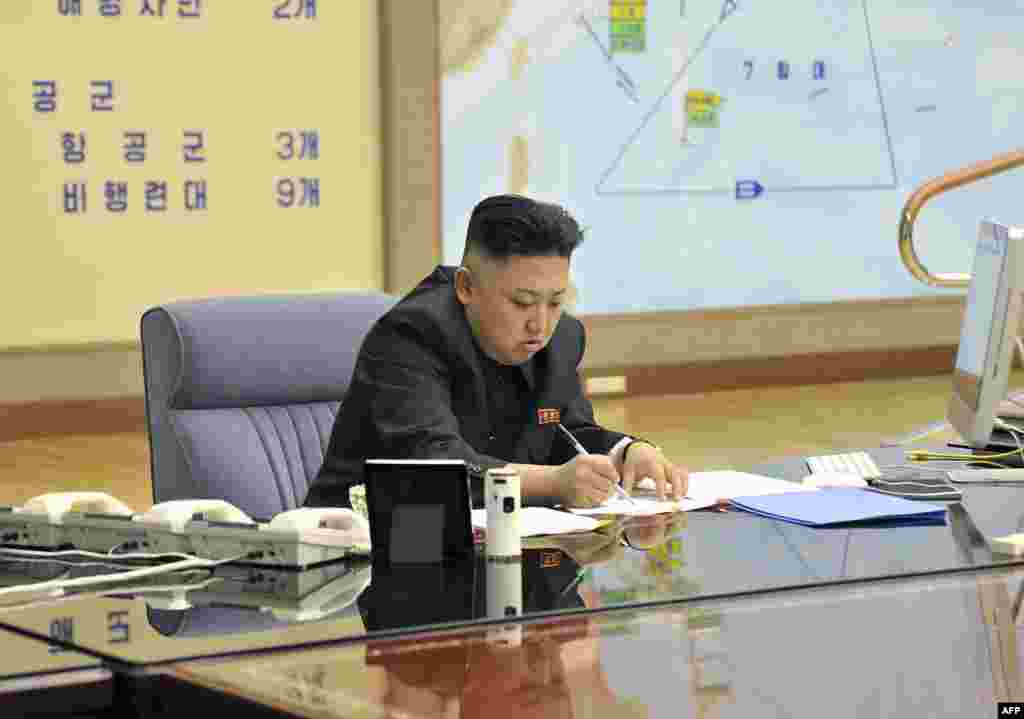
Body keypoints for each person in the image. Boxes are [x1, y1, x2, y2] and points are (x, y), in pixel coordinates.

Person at [303, 194, 687, 509]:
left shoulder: (563, 338)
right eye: (522, 303)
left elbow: (565, 431)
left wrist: (626, 452)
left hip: (496, 547)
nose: (540, 325)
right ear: (466, 287)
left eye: (556, 301)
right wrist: (554, 483)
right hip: (355, 552)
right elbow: (434, 464)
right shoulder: (410, 335)